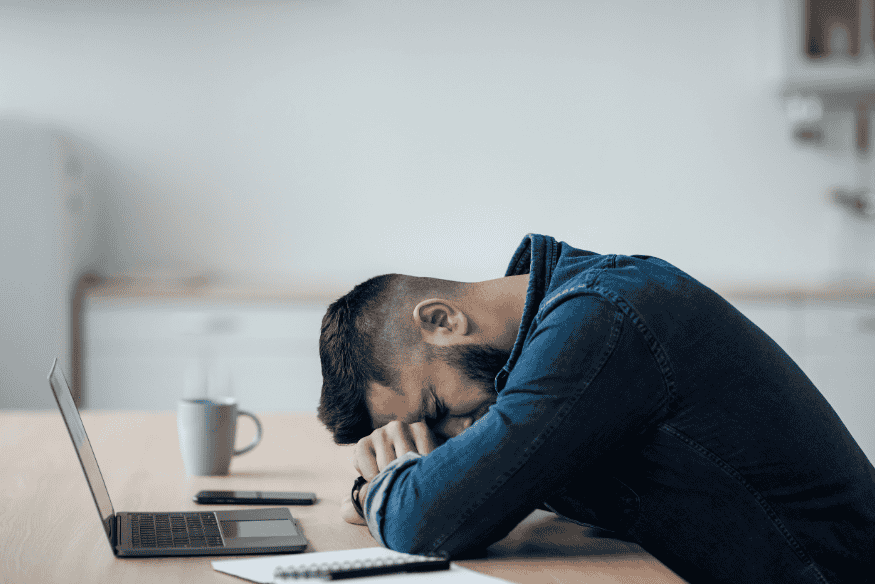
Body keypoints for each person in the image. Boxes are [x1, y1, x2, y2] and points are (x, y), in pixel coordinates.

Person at [317, 233, 875, 583]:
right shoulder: (562, 319)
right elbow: (472, 490)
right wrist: (412, 479)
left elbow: (427, 521)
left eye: (437, 407)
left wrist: (380, 490)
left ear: (442, 321)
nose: (449, 434)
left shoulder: (600, 320)